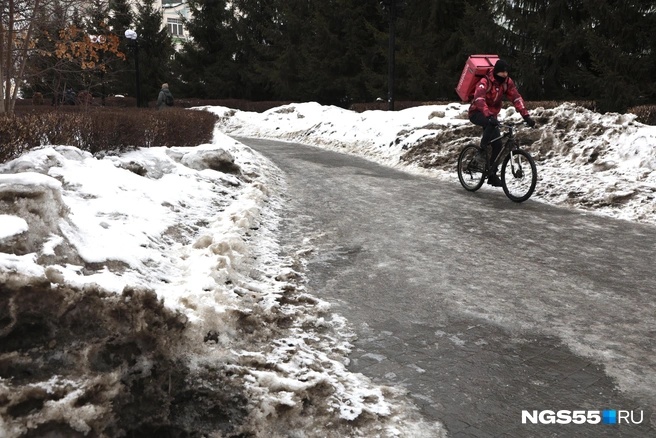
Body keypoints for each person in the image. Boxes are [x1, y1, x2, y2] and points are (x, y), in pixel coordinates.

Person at [468, 59, 535, 186]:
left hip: (492, 115)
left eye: (506, 72)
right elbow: (479, 99)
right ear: (496, 72)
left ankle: (491, 175)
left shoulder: (506, 83)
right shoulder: (484, 82)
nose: (504, 75)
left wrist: (526, 116)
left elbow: (516, 98)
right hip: (476, 112)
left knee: (498, 145)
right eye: (502, 73)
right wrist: (488, 115)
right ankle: (482, 149)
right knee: (489, 123)